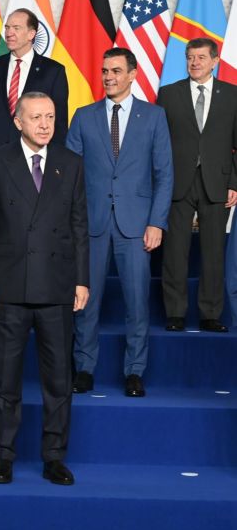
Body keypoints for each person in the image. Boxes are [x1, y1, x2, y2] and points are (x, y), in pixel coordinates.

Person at [0, 91, 89, 486]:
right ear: (18, 122)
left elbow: (79, 226)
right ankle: (3, 457)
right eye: (36, 117)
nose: (44, 124)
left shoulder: (71, 163)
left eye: (50, 117)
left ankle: (54, 457)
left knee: (59, 381)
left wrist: (82, 280)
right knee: (5, 381)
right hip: (8, 288)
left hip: (57, 288)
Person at [66, 48, 173, 398]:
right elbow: (69, 175)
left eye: (115, 71)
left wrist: (156, 222)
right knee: (85, 301)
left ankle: (135, 372)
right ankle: (84, 368)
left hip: (137, 226)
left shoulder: (154, 116)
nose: (108, 77)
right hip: (92, 225)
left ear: (132, 74)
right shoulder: (83, 117)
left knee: (137, 303)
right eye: (104, 71)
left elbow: (164, 174)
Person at [156, 37, 237, 333]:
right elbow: (159, 142)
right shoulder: (168, 94)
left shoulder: (232, 95)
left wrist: (234, 182)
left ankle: (210, 314)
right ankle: (175, 313)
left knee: (213, 253)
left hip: (217, 183)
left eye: (201, 57)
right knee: (175, 252)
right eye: (190, 57)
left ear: (215, 61)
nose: (195, 63)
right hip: (177, 182)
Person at [0, 9, 69, 189]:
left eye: (16, 28)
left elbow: (58, 124)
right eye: (7, 27)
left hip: (34, 163)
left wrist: (55, 165)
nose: (9, 32)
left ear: (31, 34)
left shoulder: (53, 71)